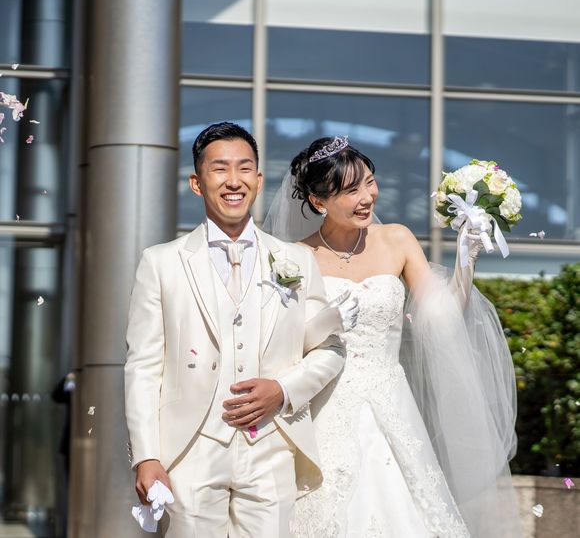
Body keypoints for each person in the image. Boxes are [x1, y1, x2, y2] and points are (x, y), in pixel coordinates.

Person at [263, 136, 522, 537]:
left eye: (370, 182)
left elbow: (441, 318)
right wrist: (326, 322)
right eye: (351, 190)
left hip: (391, 402)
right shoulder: (295, 257)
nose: (367, 197)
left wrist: (465, 260)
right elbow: (283, 344)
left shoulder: (397, 239)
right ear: (318, 201)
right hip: (323, 407)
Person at [124, 122, 351, 537]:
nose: (234, 180)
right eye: (220, 169)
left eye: (245, 168)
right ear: (197, 183)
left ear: (259, 180)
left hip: (271, 446)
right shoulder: (161, 262)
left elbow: (330, 348)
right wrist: (146, 455)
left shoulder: (297, 261)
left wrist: (283, 390)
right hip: (189, 449)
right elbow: (143, 366)